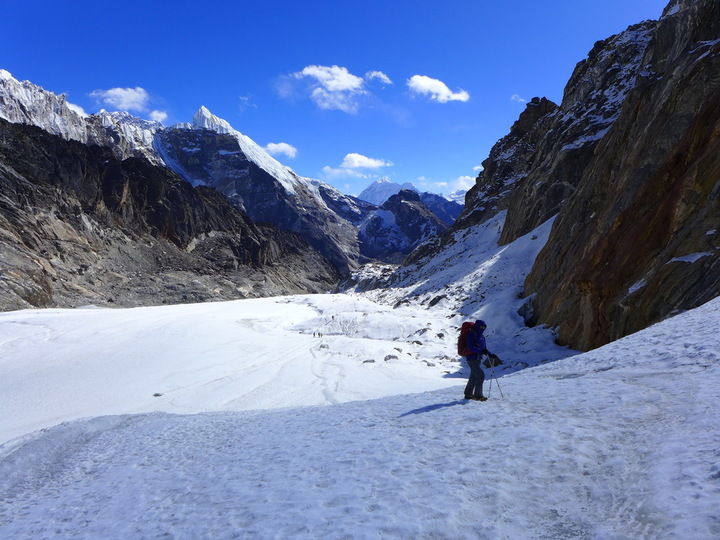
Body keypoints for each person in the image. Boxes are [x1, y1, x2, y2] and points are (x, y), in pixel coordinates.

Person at [464, 320, 492, 401]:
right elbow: (470, 347)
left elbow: (484, 349)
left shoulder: (481, 336)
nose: (482, 328)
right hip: (471, 358)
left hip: (478, 359)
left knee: (473, 377)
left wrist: (490, 354)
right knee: (480, 375)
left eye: (484, 327)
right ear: (477, 326)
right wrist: (481, 351)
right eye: (481, 326)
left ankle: (468, 394)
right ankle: (478, 395)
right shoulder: (472, 334)